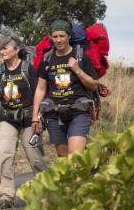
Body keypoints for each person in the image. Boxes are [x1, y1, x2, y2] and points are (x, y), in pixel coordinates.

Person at [0, 29, 48, 209]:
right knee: (5, 154)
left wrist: (38, 117)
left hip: (29, 119)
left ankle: (46, 192)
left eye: (5, 48)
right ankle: (6, 195)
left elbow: (39, 94)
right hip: (7, 119)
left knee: (35, 158)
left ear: (16, 49)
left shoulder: (29, 69)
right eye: (0, 49)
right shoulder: (0, 71)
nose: (2, 51)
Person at [32, 17, 99, 157]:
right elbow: (41, 89)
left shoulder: (81, 57)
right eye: (55, 36)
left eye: (62, 36)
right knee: (63, 156)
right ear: (51, 38)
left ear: (69, 36)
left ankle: (82, 176)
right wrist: (35, 117)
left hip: (78, 111)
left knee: (75, 154)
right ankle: (85, 173)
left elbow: (94, 85)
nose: (58, 40)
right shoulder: (47, 59)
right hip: (54, 113)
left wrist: (77, 70)